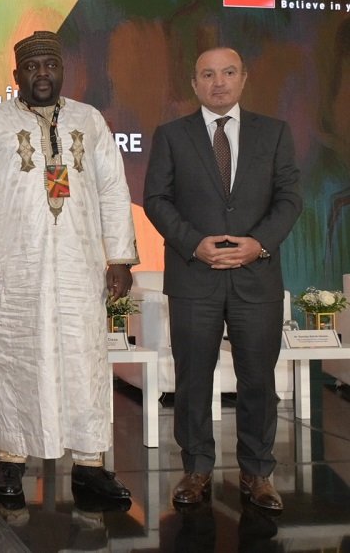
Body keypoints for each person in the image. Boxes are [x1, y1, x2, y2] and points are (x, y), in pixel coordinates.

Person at [0, 31, 138, 507]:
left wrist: (119, 256)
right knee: (15, 359)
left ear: (62, 70)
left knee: (84, 360)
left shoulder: (89, 121)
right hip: (15, 268)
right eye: (32, 67)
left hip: (79, 267)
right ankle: (12, 461)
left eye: (49, 66)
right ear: (16, 74)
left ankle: (90, 466)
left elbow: (114, 190)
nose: (41, 74)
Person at [144, 46, 301, 512]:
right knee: (193, 379)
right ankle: (196, 470)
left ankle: (258, 472)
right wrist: (193, 243)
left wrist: (259, 244)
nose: (219, 82)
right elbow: (156, 199)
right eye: (208, 74)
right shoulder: (171, 136)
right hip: (195, 276)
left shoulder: (274, 133)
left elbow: (290, 198)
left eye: (228, 72)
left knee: (258, 380)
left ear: (243, 78)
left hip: (257, 276)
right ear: (194, 84)